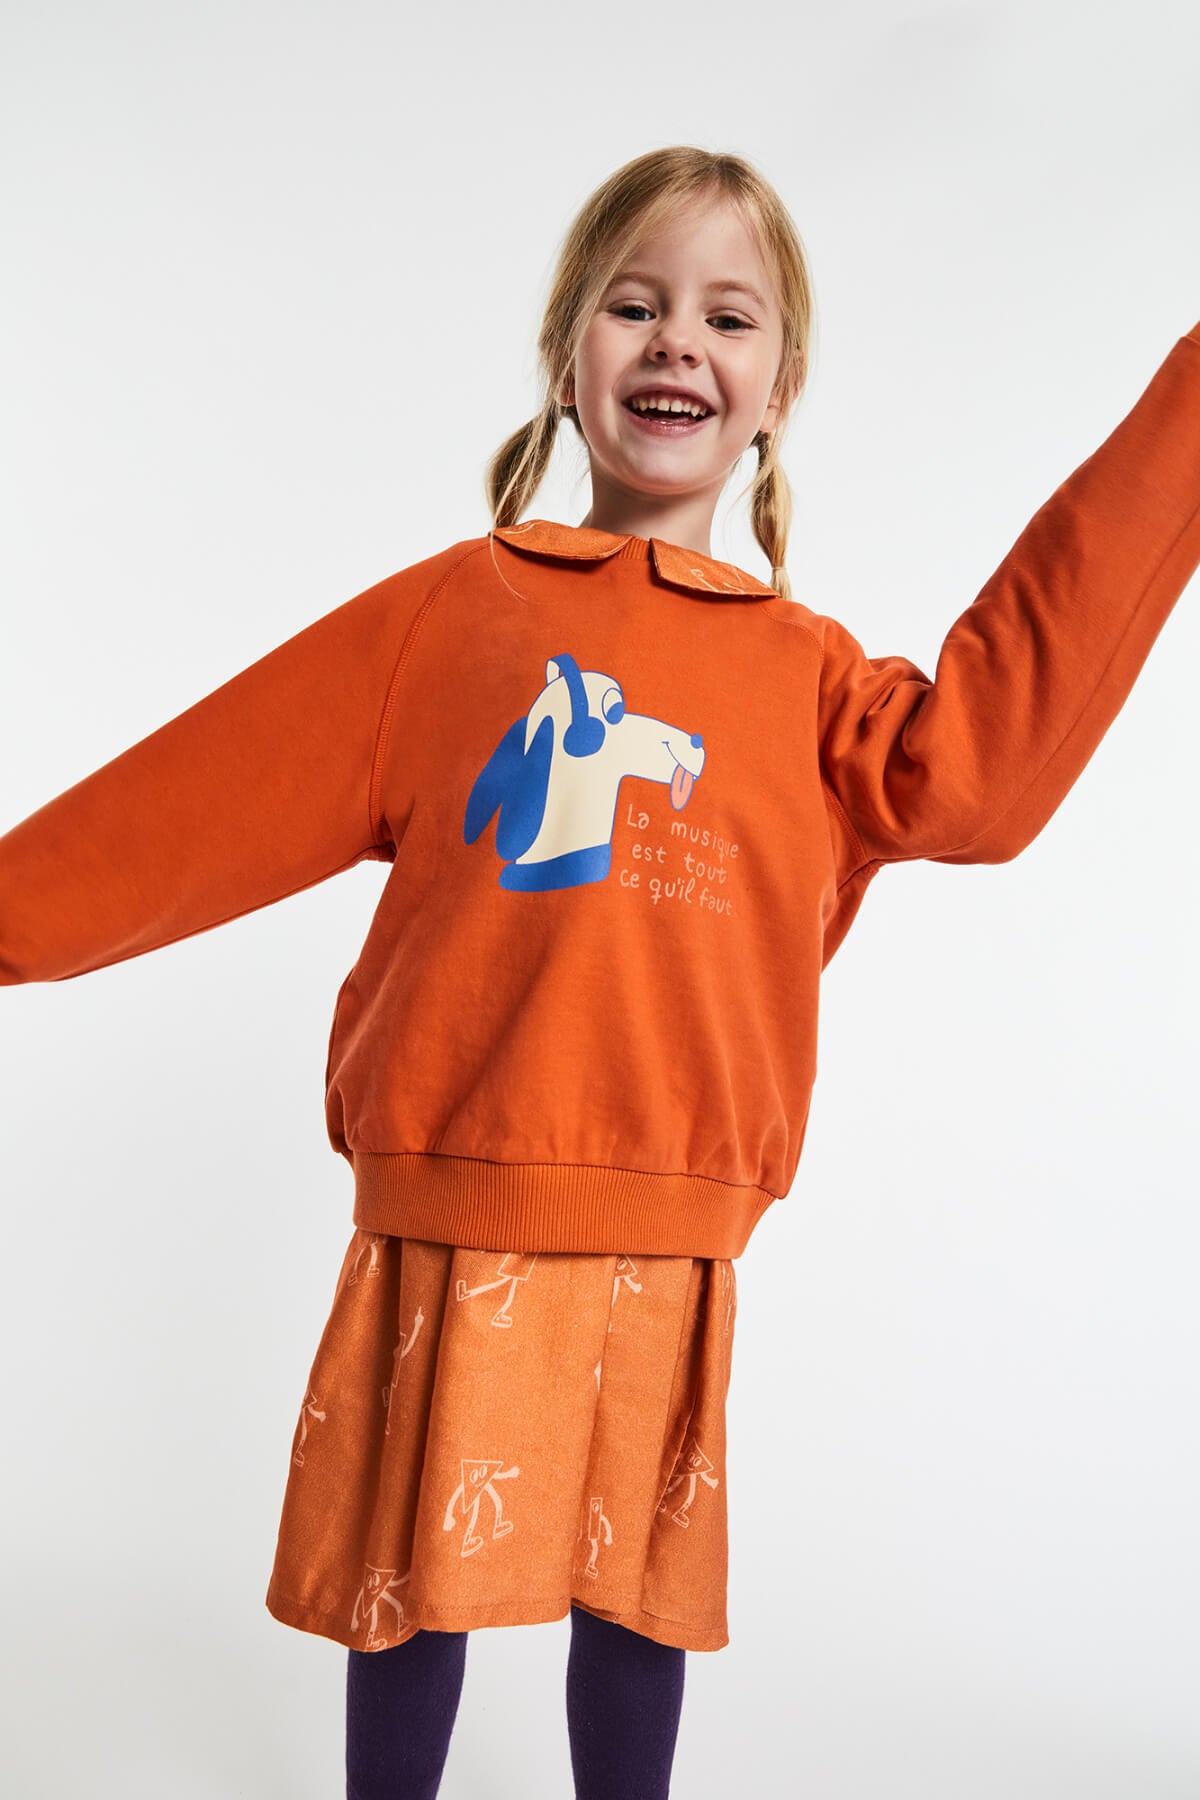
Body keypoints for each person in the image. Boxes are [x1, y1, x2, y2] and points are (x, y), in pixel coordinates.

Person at [2, 143, 1198, 1800]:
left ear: (780, 392)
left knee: (634, 1604)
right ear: (567, 356)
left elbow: (984, 772)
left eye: (728, 317)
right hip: (452, 1194)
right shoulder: (455, 614)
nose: (677, 341)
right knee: (407, 1590)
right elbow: (196, 802)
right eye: (635, 306)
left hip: (667, 1221)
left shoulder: (811, 681)